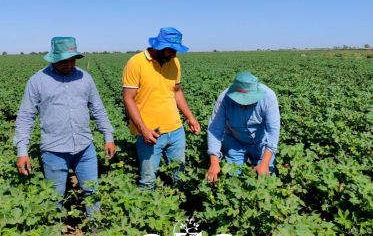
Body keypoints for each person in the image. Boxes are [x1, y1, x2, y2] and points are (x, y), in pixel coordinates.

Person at [13, 37, 116, 216]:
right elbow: (25, 117)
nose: (68, 65)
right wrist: (22, 151)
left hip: (85, 148)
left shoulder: (85, 78)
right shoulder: (37, 81)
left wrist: (108, 137)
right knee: (54, 198)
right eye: (63, 61)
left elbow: (98, 109)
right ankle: (54, 229)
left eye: (72, 60)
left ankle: (96, 227)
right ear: (53, 58)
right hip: (54, 150)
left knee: (93, 194)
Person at [122, 27, 200, 189]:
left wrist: (190, 117)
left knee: (181, 177)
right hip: (150, 133)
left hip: (176, 129)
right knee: (148, 180)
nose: (174, 55)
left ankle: (180, 210)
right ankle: (149, 212)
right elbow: (128, 99)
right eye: (171, 50)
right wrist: (143, 129)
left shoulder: (174, 62)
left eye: (176, 51)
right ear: (159, 46)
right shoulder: (136, 63)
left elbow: (177, 91)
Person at [205, 72, 280, 183]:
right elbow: (215, 129)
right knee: (232, 178)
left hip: (261, 141)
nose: (244, 104)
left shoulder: (268, 97)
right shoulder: (224, 99)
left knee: (266, 177)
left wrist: (264, 164)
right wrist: (214, 162)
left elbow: (273, 131)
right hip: (234, 141)